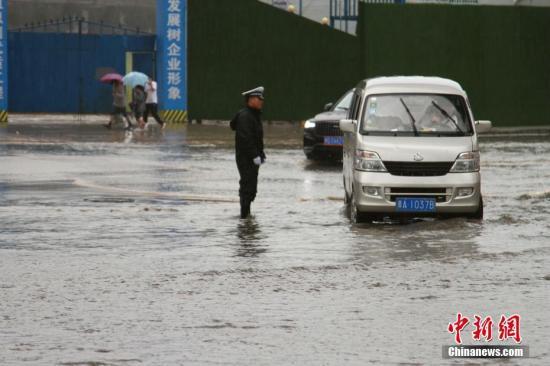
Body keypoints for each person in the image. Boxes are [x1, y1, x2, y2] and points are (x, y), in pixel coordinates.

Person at [230, 86, 266, 219]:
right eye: (259, 98)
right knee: (247, 187)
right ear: (251, 100)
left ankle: (247, 215)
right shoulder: (246, 116)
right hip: (246, 158)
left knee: (251, 187)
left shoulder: (254, 115)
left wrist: (261, 154)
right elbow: (246, 138)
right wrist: (254, 155)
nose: (262, 101)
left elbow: (257, 138)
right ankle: (244, 218)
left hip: (252, 158)